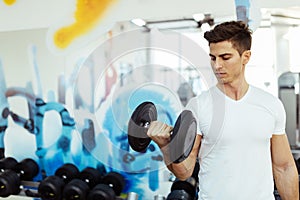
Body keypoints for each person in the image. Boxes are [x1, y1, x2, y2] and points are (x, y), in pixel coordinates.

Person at [147, 21, 299, 200]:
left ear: (246, 57)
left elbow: (284, 167)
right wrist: (165, 146)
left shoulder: (270, 104)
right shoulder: (199, 106)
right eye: (213, 58)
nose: (217, 65)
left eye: (225, 57)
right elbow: (184, 172)